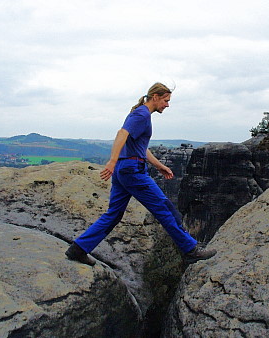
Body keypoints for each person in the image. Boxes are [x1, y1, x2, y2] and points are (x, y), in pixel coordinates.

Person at [65, 83, 216, 266]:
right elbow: (121, 133)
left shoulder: (140, 114)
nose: (167, 105)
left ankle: (78, 249)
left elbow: (140, 148)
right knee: (165, 209)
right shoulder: (141, 114)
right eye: (166, 100)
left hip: (125, 169)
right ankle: (190, 250)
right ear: (155, 97)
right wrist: (111, 161)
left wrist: (159, 165)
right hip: (132, 171)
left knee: (114, 214)